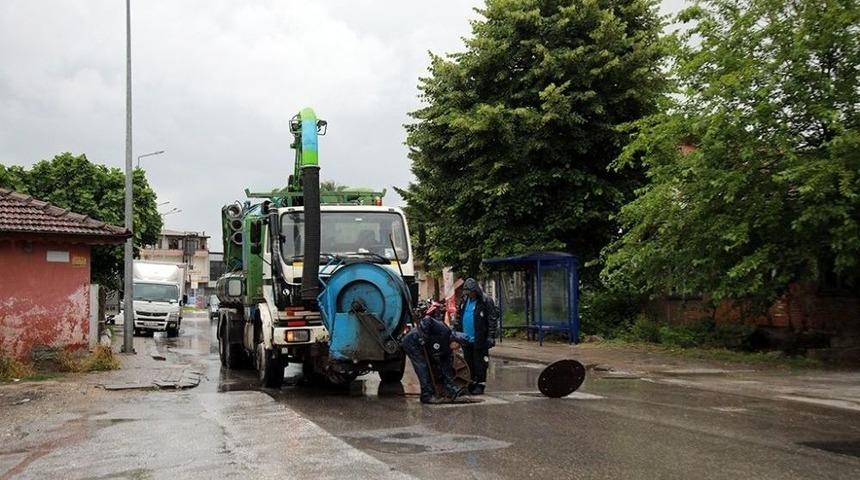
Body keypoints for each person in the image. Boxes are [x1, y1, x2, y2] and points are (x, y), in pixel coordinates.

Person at [401, 303, 465, 404]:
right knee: (423, 367)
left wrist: (452, 388)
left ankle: (434, 391)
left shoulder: (447, 350)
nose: (456, 349)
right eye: (458, 346)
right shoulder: (444, 330)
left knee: (433, 365)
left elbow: (446, 368)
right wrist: (424, 336)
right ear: (455, 340)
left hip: (423, 346)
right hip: (412, 342)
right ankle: (427, 396)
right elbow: (427, 320)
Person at [455, 278, 498, 395]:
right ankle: (470, 382)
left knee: (480, 363)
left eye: (471, 292)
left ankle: (480, 383)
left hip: (479, 338)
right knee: (468, 362)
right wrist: (456, 332)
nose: (470, 295)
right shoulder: (465, 300)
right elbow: (458, 316)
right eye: (468, 293)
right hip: (466, 338)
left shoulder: (486, 301)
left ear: (476, 291)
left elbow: (492, 319)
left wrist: (490, 336)